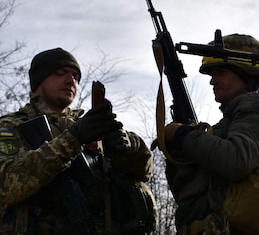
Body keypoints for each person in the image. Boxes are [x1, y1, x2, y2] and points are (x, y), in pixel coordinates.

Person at [0, 47, 156, 234]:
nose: (70, 80)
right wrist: (73, 140)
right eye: (60, 73)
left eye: (75, 76)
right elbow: (9, 186)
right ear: (39, 81)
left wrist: (129, 147)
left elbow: (145, 172)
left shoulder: (90, 125)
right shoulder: (11, 126)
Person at [164, 34, 259, 235]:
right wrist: (181, 151)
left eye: (220, 73)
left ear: (244, 72)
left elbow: (236, 160)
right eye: (211, 75)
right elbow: (190, 196)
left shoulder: (258, 106)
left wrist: (185, 137)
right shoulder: (229, 124)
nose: (213, 81)